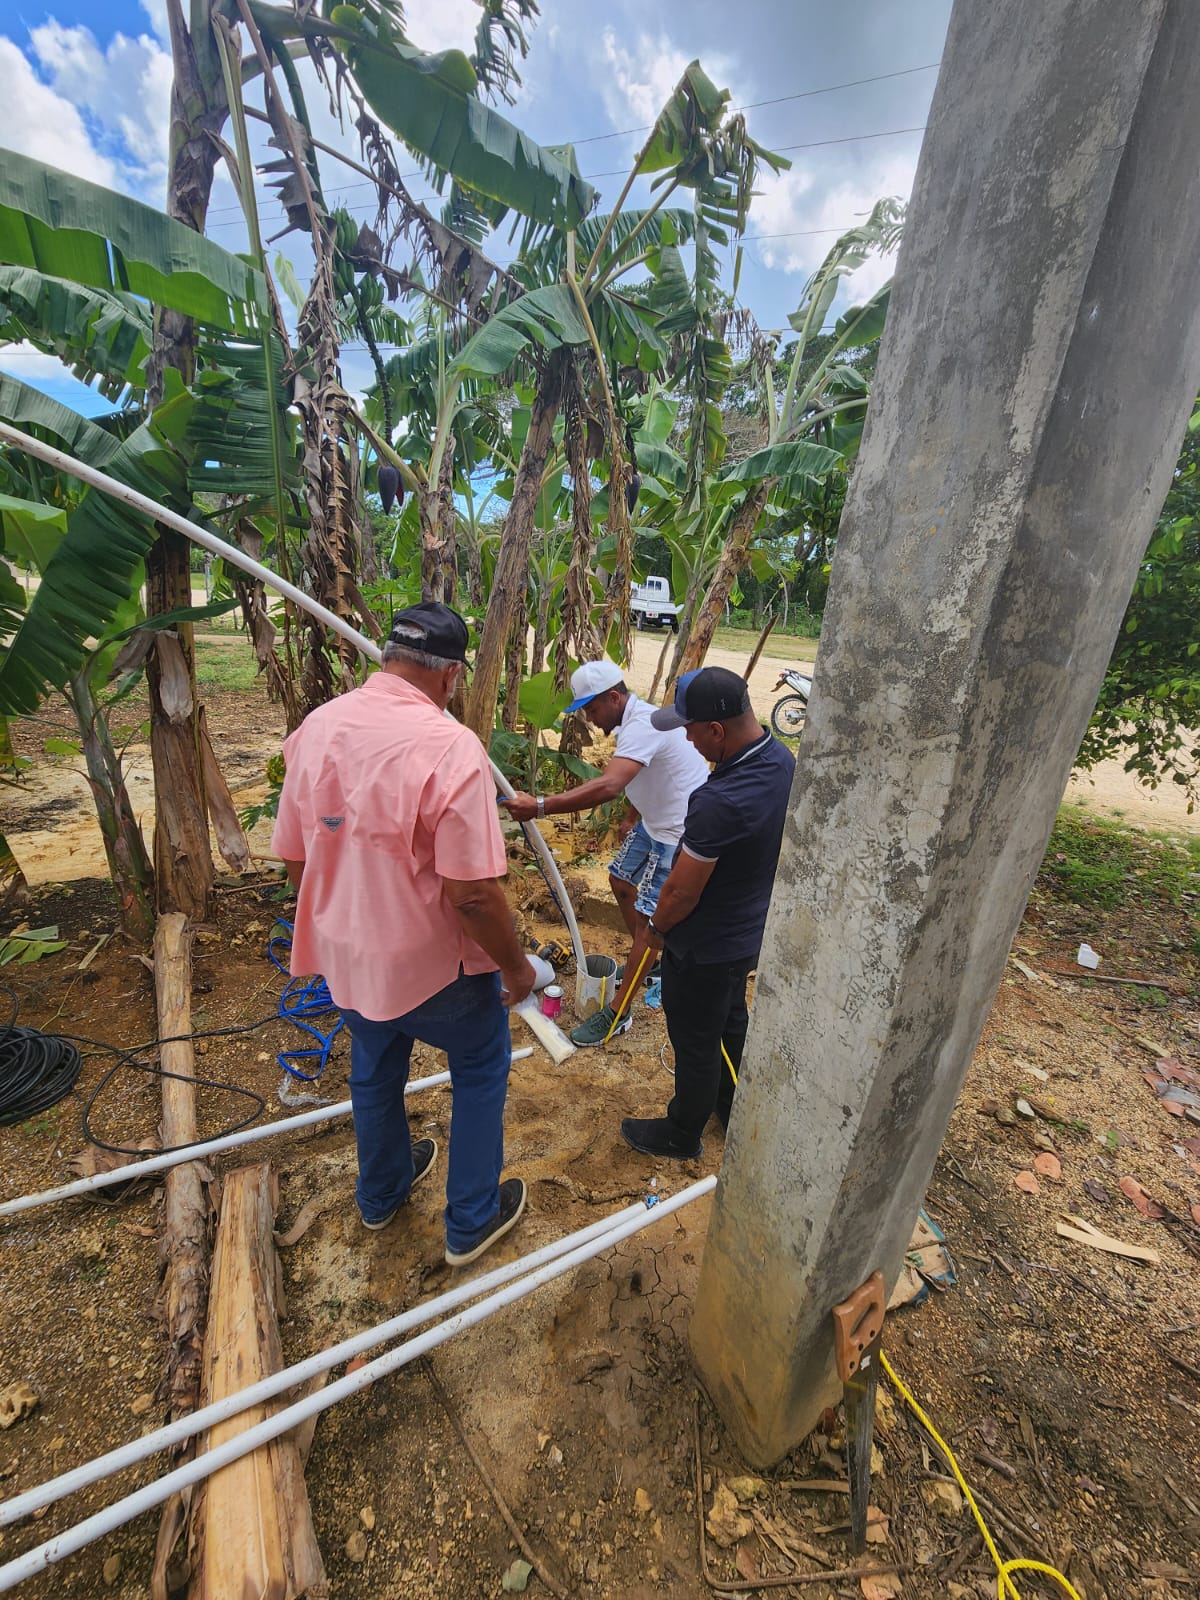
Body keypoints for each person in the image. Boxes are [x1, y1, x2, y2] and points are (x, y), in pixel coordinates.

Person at [271, 602, 535, 1266]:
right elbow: (472, 895)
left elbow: (297, 860)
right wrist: (516, 969)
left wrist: (344, 919)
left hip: (347, 955)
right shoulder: (451, 745)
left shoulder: (316, 728)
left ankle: (381, 1191)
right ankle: (471, 1219)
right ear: (451, 676)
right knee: (481, 1065)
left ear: (388, 658)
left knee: (375, 1063)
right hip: (431, 968)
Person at [619, 666, 796, 1160]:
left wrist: (656, 930)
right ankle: (734, 1106)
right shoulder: (781, 760)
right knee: (730, 1020)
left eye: (691, 730)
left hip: (704, 945)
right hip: (746, 932)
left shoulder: (719, 800)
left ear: (716, 730)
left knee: (695, 1038)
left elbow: (681, 892)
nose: (688, 740)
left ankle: (682, 1133)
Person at [501, 658, 709, 1047]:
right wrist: (633, 815)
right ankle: (651, 959)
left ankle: (618, 1013)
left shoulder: (643, 724)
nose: (591, 719)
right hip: (654, 822)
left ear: (614, 698)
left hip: (679, 830)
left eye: (592, 709)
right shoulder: (633, 722)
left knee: (652, 920)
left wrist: (540, 806)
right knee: (620, 880)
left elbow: (610, 784)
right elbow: (646, 772)